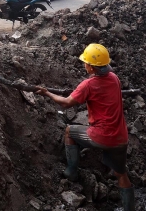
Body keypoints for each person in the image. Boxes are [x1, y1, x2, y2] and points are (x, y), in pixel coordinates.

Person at [35, 43, 134, 211]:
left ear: (92, 67)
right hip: (120, 137)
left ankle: (71, 172)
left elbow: (66, 103)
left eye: (85, 62)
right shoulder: (115, 78)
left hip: (101, 136)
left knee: (69, 132)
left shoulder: (88, 85)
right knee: (121, 174)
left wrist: (47, 93)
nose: (84, 65)